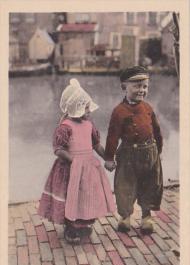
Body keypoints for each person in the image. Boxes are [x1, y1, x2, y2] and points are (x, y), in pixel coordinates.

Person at [38, 78, 116, 244]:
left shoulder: (89, 125)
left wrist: (108, 159)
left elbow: (96, 145)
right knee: (71, 196)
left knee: (86, 195)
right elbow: (58, 149)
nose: (89, 111)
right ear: (75, 108)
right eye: (85, 107)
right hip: (70, 168)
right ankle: (71, 227)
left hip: (87, 169)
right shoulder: (65, 127)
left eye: (89, 107)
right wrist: (73, 161)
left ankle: (84, 222)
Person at [104, 66, 163, 234]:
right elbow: (112, 135)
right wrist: (109, 157)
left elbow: (156, 130)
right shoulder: (119, 111)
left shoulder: (148, 108)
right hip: (128, 156)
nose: (141, 90)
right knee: (124, 186)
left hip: (149, 153)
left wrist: (158, 151)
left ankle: (146, 217)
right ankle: (125, 217)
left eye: (144, 86)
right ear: (124, 86)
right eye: (136, 86)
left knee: (150, 185)